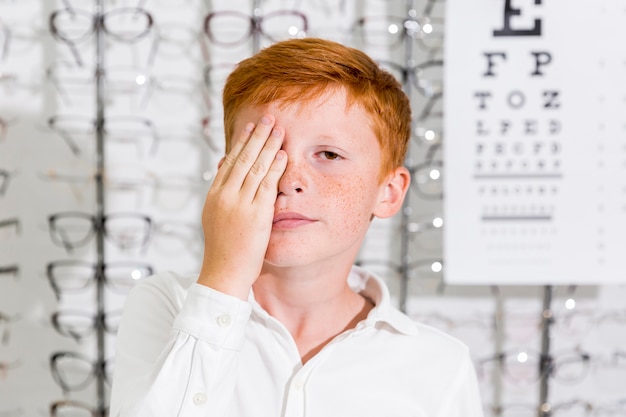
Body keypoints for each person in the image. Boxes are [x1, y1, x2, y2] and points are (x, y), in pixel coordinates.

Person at [109, 38, 483, 417]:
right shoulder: (168, 305)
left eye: (329, 154)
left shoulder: (440, 367)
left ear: (388, 193)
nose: (289, 180)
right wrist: (225, 276)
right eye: (265, 155)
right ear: (227, 178)